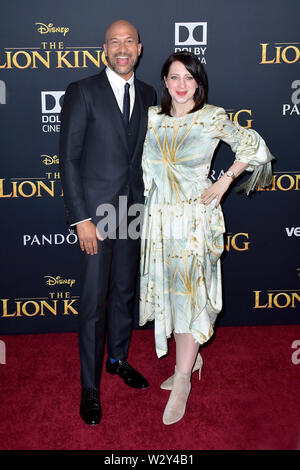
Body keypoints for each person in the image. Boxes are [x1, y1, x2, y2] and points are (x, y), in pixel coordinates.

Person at [139, 52, 274, 425]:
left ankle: (183, 377)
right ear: (164, 82)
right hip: (160, 222)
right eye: (174, 77)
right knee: (173, 296)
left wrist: (225, 179)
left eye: (189, 77)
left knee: (190, 297)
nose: (181, 85)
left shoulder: (212, 117)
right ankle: (190, 358)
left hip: (194, 222)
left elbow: (254, 147)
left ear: (198, 82)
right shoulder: (151, 119)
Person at [59, 20, 156, 426]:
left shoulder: (150, 94)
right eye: (114, 42)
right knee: (92, 303)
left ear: (139, 49)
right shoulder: (82, 92)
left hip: (132, 210)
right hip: (95, 217)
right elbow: (69, 159)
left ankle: (117, 359)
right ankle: (90, 386)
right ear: (104, 50)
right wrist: (81, 218)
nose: (122, 48)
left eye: (128, 42)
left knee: (123, 293)